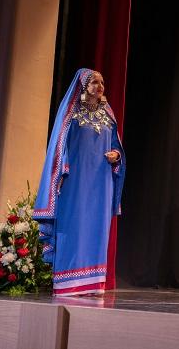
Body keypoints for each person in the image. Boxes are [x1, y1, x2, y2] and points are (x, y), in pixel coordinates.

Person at [34, 68, 125, 296]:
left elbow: (116, 144)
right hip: (75, 181)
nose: (100, 86)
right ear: (84, 86)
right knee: (74, 224)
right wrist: (62, 170)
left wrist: (116, 154)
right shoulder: (71, 113)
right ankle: (68, 283)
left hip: (101, 182)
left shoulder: (108, 113)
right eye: (95, 82)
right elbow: (59, 145)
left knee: (97, 227)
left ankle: (93, 282)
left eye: (102, 82)